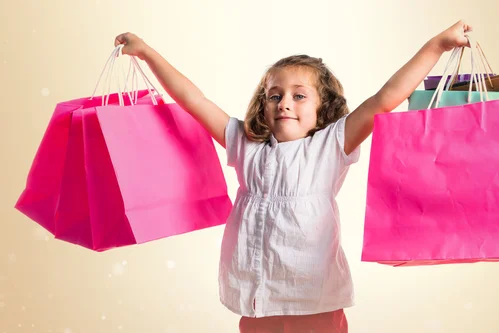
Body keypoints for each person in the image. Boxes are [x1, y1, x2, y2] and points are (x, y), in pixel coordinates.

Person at [114, 20, 472, 333]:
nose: (284, 103)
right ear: (263, 105)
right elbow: (193, 99)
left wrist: (437, 46)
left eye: (299, 96)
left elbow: (385, 98)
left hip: (313, 303)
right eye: (274, 95)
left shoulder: (331, 144)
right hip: (257, 301)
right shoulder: (245, 144)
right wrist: (146, 53)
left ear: (323, 108)